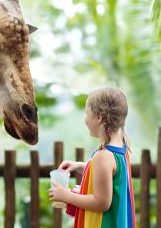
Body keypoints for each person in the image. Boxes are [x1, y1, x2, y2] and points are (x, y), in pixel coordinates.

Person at [49, 86, 136, 227]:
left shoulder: (103, 156)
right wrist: (80, 166)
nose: (85, 119)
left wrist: (67, 196)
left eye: (86, 113)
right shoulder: (120, 148)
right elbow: (110, 178)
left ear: (99, 117)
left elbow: (101, 202)